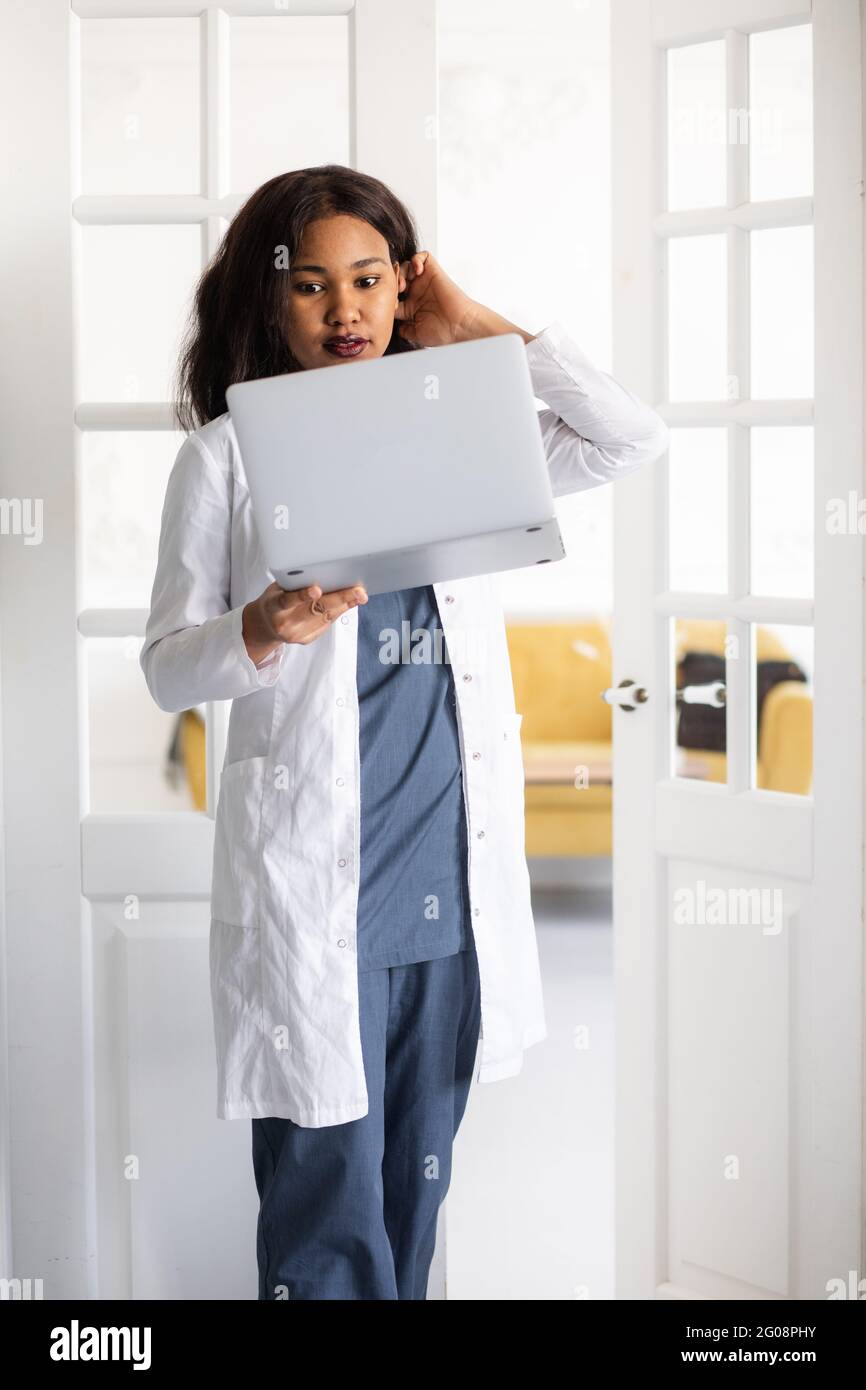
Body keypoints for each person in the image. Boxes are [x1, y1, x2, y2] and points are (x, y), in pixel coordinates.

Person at [140, 163, 669, 1300]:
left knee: (412, 1201)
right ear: (264, 300)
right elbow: (166, 669)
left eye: (372, 280)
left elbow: (628, 438)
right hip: (313, 899)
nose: (347, 312)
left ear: (406, 287)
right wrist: (261, 624)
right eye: (314, 287)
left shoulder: (469, 433)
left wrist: (481, 331)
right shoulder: (226, 459)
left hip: (448, 899)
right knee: (325, 1216)